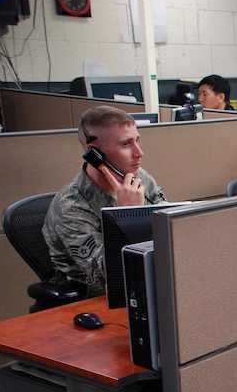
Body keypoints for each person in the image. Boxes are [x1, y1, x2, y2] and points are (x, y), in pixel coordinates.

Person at [43, 106, 166, 296]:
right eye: (126, 144)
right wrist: (129, 217)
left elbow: (167, 231)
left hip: (153, 284)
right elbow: (112, 276)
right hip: (94, 300)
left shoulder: (138, 177)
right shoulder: (70, 208)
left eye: (137, 141)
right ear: (95, 154)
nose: (139, 152)